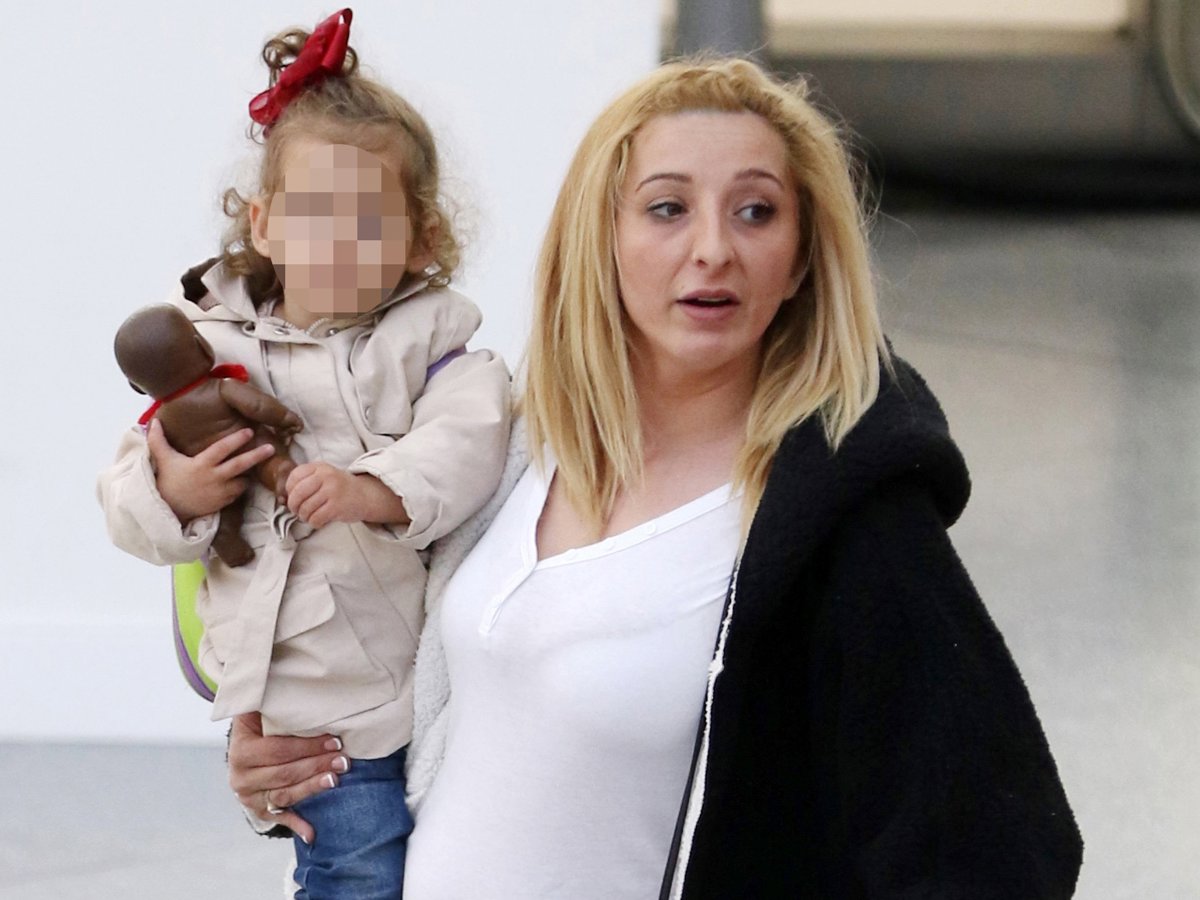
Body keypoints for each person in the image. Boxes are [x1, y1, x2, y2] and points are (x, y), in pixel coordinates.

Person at [226, 57, 1083, 898]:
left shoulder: (835, 521)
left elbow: (995, 845)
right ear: (602, 238)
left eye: (756, 212)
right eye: (668, 208)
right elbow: (384, 650)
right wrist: (294, 756)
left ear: (800, 260)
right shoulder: (514, 448)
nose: (712, 249)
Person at [97, 9, 510, 899]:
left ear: (421, 240)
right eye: (312, 216)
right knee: (352, 863)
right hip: (303, 700)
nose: (336, 242)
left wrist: (373, 488)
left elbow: (470, 440)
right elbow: (126, 496)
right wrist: (176, 487)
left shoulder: (434, 347)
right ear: (264, 223)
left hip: (406, 672)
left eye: (368, 223)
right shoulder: (211, 349)